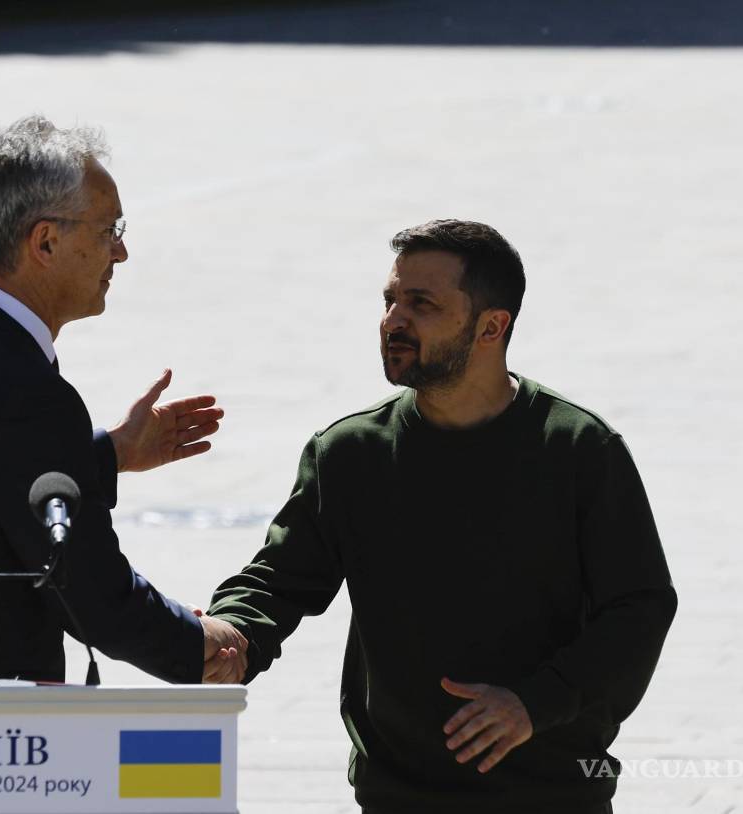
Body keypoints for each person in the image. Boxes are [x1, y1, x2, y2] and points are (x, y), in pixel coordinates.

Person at [206, 220, 677, 813]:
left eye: (421, 304)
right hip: (395, 796)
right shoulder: (351, 452)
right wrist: (234, 632)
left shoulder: (579, 450)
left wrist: (536, 703)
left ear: (491, 327)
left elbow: (640, 608)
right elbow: (280, 578)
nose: (393, 321)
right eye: (390, 300)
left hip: (550, 796)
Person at [0, 115, 246, 686]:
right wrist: (196, 643)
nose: (123, 251)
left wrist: (108, 454)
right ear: (46, 241)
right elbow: (89, 592)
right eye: (110, 229)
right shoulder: (23, 392)